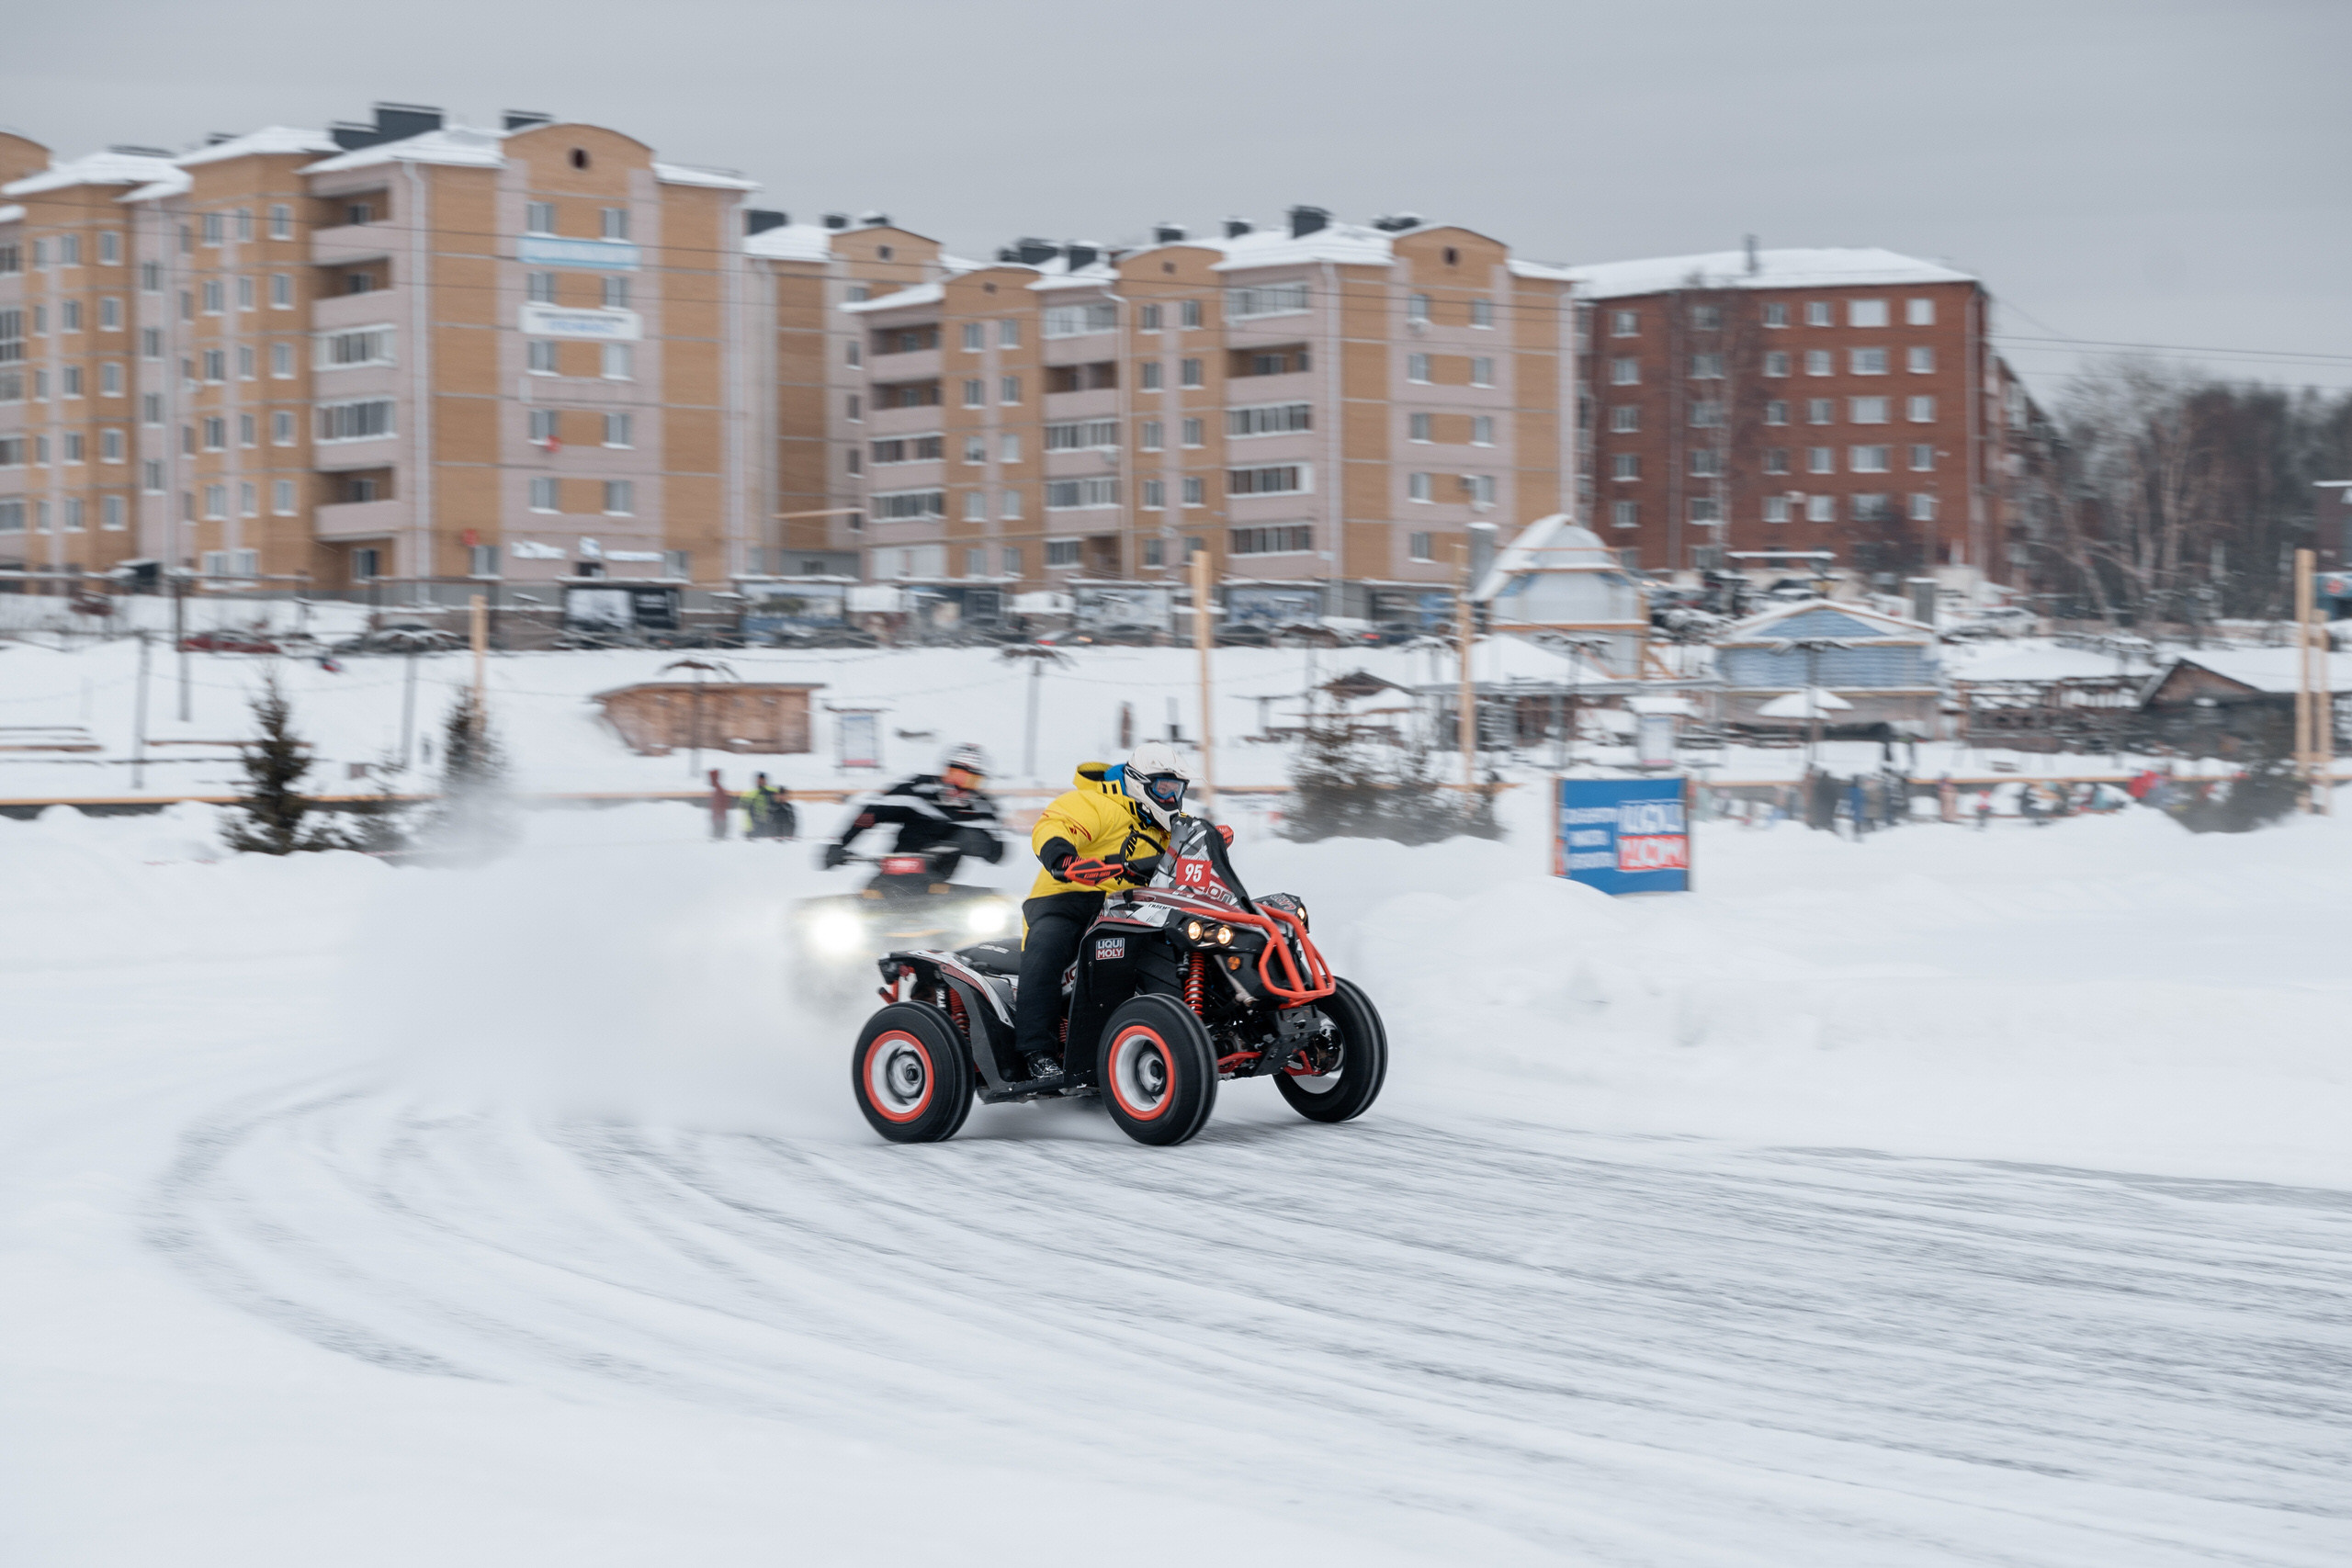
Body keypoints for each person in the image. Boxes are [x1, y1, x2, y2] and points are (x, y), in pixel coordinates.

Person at [1011, 741, 1224, 1083]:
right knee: (1046, 949)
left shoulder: (1170, 827)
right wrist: (1063, 859)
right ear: (1139, 784)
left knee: (1198, 945)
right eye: (1163, 789)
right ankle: (1037, 1052)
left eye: (1176, 790)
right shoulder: (1094, 802)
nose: (1170, 797)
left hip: (1138, 910)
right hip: (1069, 901)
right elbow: (1053, 826)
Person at [822, 742, 1002, 876]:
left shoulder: (982, 807)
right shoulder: (917, 789)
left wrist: (981, 844)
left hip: (941, 881)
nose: (960, 786)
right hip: (896, 871)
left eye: (970, 781)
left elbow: (998, 852)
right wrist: (841, 843)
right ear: (944, 772)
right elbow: (871, 814)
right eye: (955, 776)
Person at [741, 772, 797, 840]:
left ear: (765, 781)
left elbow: (782, 800)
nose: (761, 782)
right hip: (753, 826)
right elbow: (746, 811)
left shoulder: (772, 791)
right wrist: (747, 829)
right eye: (759, 780)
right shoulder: (750, 794)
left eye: (762, 780)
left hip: (767, 826)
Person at [707, 768, 731, 840]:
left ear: (714, 779)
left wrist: (717, 820)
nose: (709, 780)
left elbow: (720, 807)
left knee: (718, 843)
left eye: (710, 778)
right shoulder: (718, 790)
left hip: (719, 822)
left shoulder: (719, 791)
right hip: (719, 821)